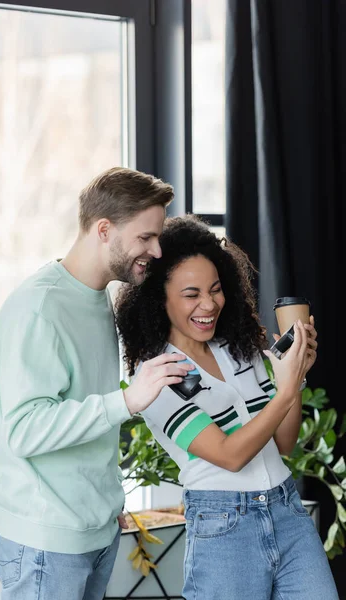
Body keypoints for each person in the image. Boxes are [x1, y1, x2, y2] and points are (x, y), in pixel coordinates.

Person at [0, 167, 197, 600]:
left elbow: (83, 414)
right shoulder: (39, 308)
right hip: (46, 544)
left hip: (94, 532)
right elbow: (24, 430)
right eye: (146, 238)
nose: (157, 251)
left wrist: (104, 505)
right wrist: (128, 400)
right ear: (104, 230)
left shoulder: (97, 297)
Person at [115, 214, 339, 600]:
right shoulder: (157, 378)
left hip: (286, 511)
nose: (209, 304)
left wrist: (295, 374)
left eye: (215, 289)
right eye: (191, 294)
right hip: (224, 524)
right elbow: (230, 455)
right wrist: (285, 392)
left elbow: (283, 444)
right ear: (159, 300)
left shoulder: (238, 349)